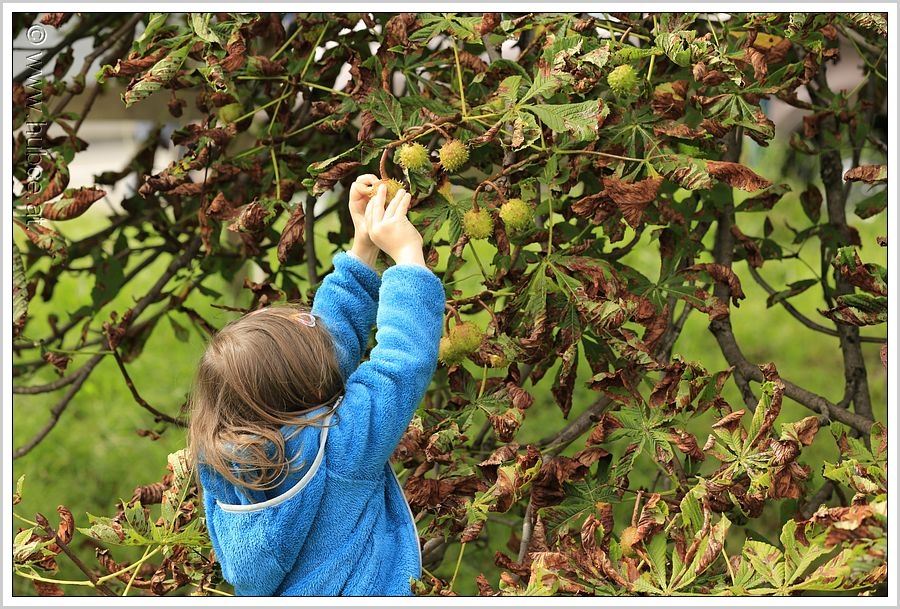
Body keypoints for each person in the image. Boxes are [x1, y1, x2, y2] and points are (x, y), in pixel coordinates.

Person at [187, 175, 445, 596]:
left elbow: (329, 345)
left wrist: (364, 246)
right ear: (311, 389)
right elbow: (401, 363)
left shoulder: (225, 457)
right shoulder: (342, 446)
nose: (314, 324)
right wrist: (408, 258)